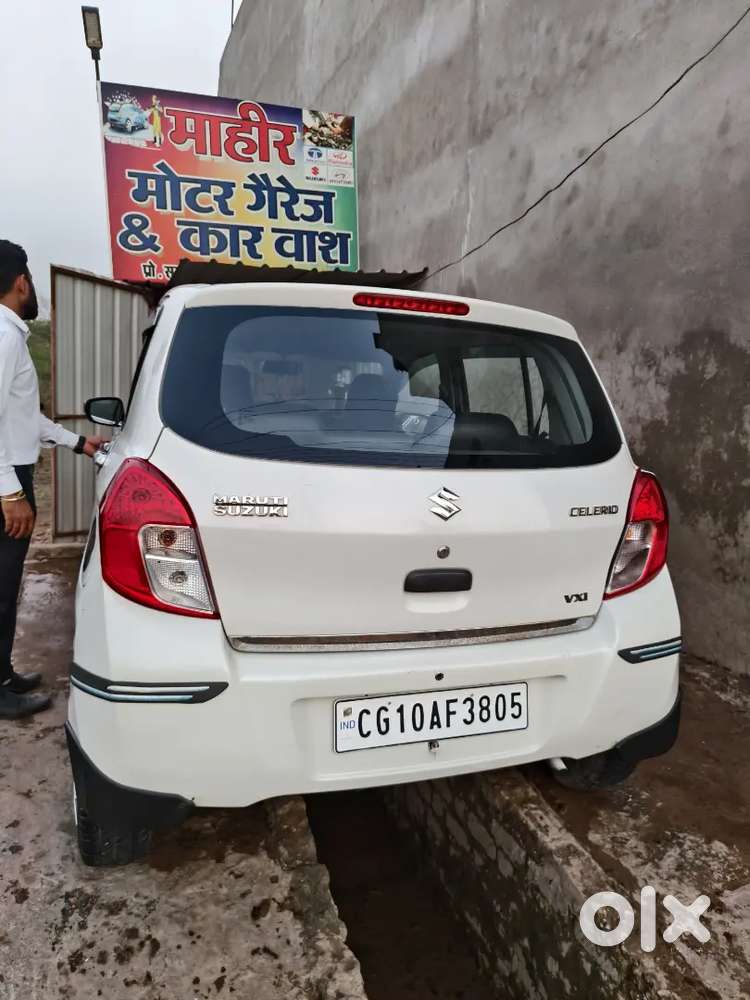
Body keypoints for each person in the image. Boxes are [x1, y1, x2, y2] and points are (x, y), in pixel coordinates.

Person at [0, 240, 105, 720]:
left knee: (7, 585)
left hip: (12, 472)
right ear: (21, 282)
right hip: (7, 480)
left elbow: (24, 419)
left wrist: (79, 442)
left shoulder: (10, 335)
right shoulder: (4, 337)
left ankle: (4, 674)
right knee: (2, 588)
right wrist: (10, 492)